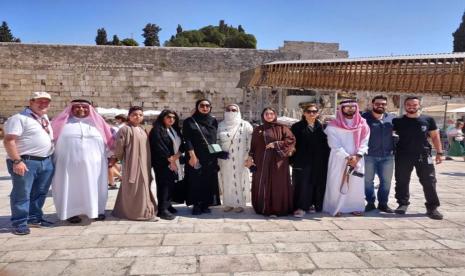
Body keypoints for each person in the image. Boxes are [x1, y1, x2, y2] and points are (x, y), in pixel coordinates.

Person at [51, 99, 114, 224]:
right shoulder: (60, 124)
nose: (81, 109)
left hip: (95, 167)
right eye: (77, 107)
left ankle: (96, 211)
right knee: (70, 188)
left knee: (95, 187)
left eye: (84, 107)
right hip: (67, 167)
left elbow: (109, 143)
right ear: (71, 108)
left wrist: (112, 157)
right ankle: (70, 212)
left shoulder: (98, 124)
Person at [4, 92, 55, 235]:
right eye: (40, 101)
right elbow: (9, 140)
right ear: (31, 102)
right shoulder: (19, 118)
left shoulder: (43, 118)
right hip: (26, 161)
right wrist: (17, 160)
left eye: (46, 102)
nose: (43, 104)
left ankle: (34, 218)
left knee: (40, 192)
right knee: (22, 193)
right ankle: (19, 222)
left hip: (45, 160)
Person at [393, 96, 444, 220]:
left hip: (424, 155)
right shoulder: (397, 121)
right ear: (404, 106)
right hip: (403, 155)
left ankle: (432, 207)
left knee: (429, 181)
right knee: (402, 180)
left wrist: (439, 153)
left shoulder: (428, 119)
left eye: (414, 105)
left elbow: (435, 136)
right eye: (409, 105)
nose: (411, 107)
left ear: (419, 105)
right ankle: (402, 204)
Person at [323, 99, 370, 217]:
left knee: (356, 184)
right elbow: (334, 144)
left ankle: (355, 207)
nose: (350, 109)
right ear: (341, 108)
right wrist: (348, 157)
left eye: (352, 106)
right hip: (339, 159)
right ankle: (335, 207)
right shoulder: (333, 125)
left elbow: (365, 141)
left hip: (357, 158)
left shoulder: (362, 123)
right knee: (336, 182)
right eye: (347, 107)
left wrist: (358, 156)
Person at [246, 107, 295, 217]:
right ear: (263, 116)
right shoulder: (258, 129)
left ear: (275, 115)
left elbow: (291, 140)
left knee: (278, 183)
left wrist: (276, 144)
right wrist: (250, 158)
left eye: (271, 114)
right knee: (262, 182)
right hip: (261, 161)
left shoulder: (282, 128)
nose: (269, 116)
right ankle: (263, 207)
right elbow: (253, 146)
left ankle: (277, 209)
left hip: (278, 161)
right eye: (267, 114)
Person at [112, 106, 157, 221]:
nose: (138, 117)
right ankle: (138, 213)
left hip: (144, 163)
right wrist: (117, 158)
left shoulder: (142, 129)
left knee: (143, 186)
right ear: (129, 116)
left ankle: (131, 210)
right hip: (132, 163)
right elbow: (119, 147)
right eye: (135, 114)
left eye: (140, 115)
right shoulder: (125, 129)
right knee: (134, 187)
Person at [290, 104, 330, 217]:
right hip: (301, 160)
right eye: (309, 111)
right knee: (302, 184)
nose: (311, 113)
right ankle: (300, 207)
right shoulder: (296, 127)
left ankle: (314, 204)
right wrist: (292, 160)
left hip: (319, 161)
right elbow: (292, 144)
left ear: (318, 113)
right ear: (304, 113)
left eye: (314, 111)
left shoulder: (322, 127)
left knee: (317, 182)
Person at [183, 99, 221, 215]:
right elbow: (187, 139)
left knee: (208, 180)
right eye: (202, 105)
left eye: (207, 106)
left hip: (210, 156)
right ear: (197, 107)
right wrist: (192, 155)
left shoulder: (213, 121)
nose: (205, 108)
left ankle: (206, 203)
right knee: (196, 180)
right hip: (196, 155)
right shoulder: (189, 121)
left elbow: (214, 139)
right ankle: (196, 204)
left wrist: (217, 155)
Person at [362, 95, 395, 213]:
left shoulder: (391, 119)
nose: (380, 106)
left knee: (386, 182)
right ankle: (370, 203)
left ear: (386, 105)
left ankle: (383, 203)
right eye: (377, 104)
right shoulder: (363, 118)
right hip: (368, 155)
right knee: (367, 181)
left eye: (383, 104)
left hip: (387, 156)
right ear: (372, 104)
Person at [217, 104, 253, 213]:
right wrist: (218, 153)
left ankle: (239, 203)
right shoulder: (221, 125)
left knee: (239, 179)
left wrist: (248, 157)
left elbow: (250, 142)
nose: (231, 111)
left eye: (234, 110)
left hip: (240, 157)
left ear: (238, 111)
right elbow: (216, 140)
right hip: (225, 159)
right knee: (226, 179)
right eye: (228, 109)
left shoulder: (245, 125)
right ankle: (228, 203)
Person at [149, 109, 184, 220]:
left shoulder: (174, 129)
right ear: (163, 117)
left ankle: (168, 205)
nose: (171, 119)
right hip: (162, 163)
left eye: (174, 117)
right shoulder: (157, 130)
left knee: (171, 184)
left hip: (174, 160)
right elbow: (159, 147)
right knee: (164, 185)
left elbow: (182, 144)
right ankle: (162, 210)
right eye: (168, 117)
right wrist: (171, 160)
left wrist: (176, 157)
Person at [108, 114, 126, 189]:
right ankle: (120, 178)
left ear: (120, 119)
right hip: (121, 150)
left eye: (117, 119)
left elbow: (114, 139)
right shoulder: (126, 127)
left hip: (114, 150)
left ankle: (112, 183)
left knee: (109, 165)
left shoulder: (116, 128)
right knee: (112, 165)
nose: (116, 121)